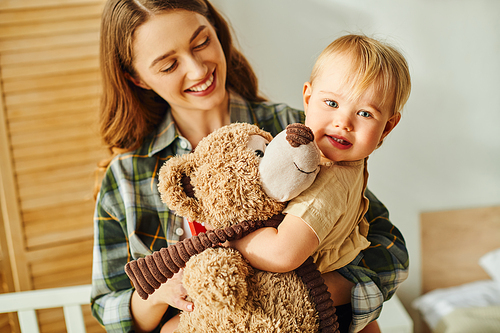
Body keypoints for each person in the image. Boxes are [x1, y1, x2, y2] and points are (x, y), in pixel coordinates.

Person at [90, 1, 409, 332]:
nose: (198, 70)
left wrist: (301, 294)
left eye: (201, 43)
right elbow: (108, 306)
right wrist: (160, 294)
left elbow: (388, 248)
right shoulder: (127, 176)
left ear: (218, 32)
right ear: (137, 78)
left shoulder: (294, 132)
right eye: (169, 65)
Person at [228, 34, 411, 332]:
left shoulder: (330, 181)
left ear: (388, 126)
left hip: (319, 311)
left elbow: (281, 253)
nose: (344, 122)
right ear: (308, 97)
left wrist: (231, 240)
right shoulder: (334, 160)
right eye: (332, 102)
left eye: (365, 113)